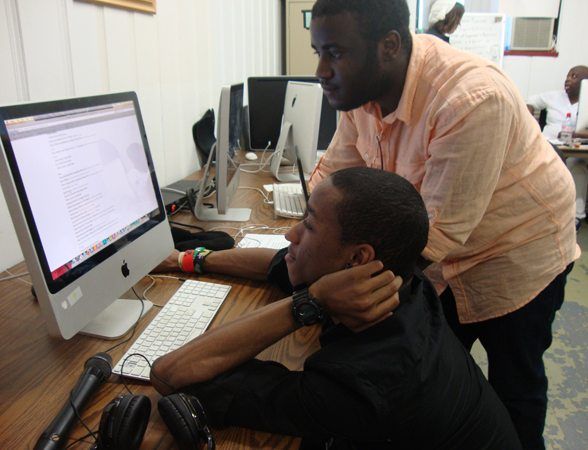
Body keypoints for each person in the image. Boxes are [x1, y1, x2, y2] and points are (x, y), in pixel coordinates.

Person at [307, 1, 578, 449]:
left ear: (389, 46)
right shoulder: (361, 93)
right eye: (318, 51)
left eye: (334, 53)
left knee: (516, 388)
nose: (321, 70)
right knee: (432, 380)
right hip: (441, 251)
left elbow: (434, 237)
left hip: (517, 252)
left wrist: (317, 282)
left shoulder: (469, 99)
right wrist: (309, 228)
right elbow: (333, 176)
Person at [151, 167, 521, 450]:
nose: (289, 234)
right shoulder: (402, 283)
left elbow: (172, 373)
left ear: (358, 258)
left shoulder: (358, 386)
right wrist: (189, 259)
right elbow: (276, 262)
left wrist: (308, 304)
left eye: (308, 226)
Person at [527, 65, 588, 230]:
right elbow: (529, 103)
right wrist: (531, 124)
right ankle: (539, 213)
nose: (568, 80)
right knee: (542, 163)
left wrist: (577, 135)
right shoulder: (553, 97)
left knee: (577, 165)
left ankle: (575, 216)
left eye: (574, 76)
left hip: (577, 149)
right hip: (549, 144)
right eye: (568, 76)